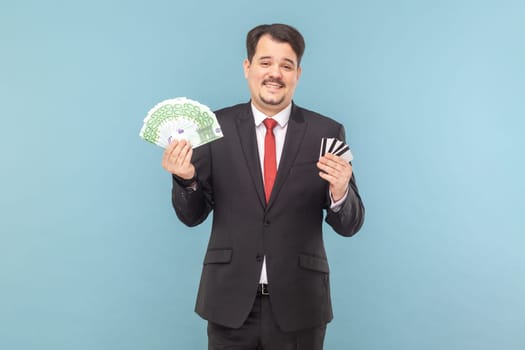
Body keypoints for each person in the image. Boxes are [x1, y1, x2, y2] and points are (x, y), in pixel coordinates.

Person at [162, 23, 364, 350]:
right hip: (229, 304)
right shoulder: (215, 129)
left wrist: (341, 192)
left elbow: (351, 224)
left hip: (301, 306)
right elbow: (191, 215)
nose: (275, 73)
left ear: (298, 73)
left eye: (286, 65)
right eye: (265, 62)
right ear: (248, 68)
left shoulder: (326, 132)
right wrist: (186, 179)